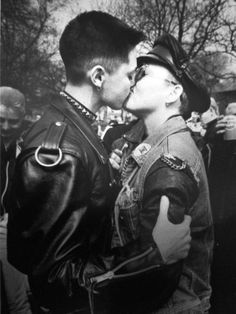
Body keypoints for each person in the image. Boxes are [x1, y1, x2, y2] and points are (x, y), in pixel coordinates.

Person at [7, 12, 191, 314]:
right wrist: (152, 255)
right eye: (130, 75)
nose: (134, 83)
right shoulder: (61, 151)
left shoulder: (76, 127)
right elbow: (54, 281)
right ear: (98, 76)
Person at [109, 34, 214, 313]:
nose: (133, 77)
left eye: (143, 72)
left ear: (172, 93)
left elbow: (156, 272)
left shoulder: (170, 158)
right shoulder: (145, 144)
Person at [0, 86, 32, 314]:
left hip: (11, 223)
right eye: (0, 120)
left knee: (18, 298)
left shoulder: (28, 142)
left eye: (13, 121)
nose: (5, 127)